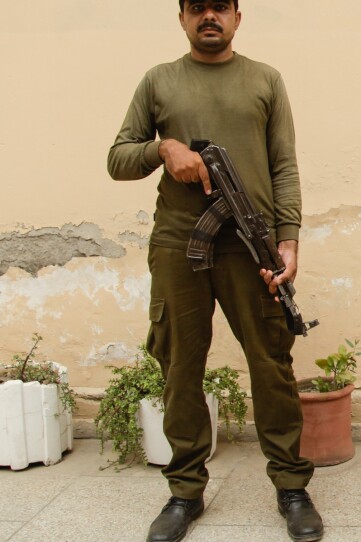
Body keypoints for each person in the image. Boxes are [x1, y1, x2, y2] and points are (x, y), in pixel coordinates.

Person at [107, 2, 323, 541]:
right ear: (181, 17)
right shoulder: (159, 81)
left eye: (219, 7)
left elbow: (284, 165)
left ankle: (291, 486)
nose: (210, 16)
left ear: (236, 17)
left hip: (252, 245)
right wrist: (164, 148)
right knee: (180, 364)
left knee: (271, 362)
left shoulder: (264, 80)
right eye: (198, 7)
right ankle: (185, 491)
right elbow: (117, 157)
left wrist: (288, 239)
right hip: (181, 242)